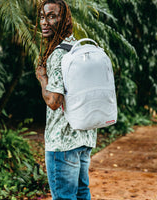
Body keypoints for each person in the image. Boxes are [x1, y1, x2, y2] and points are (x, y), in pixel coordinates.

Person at [35, 0, 97, 199]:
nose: (45, 22)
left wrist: (42, 78)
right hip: (84, 138)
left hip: (62, 143)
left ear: (65, 19)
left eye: (52, 16)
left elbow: (54, 101)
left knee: (64, 197)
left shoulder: (59, 54)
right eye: (43, 17)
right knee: (81, 194)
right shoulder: (78, 48)